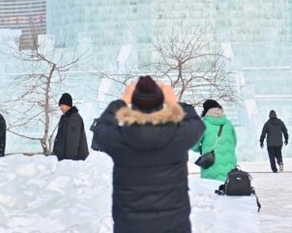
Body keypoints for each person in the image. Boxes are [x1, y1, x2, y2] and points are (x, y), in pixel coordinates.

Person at [91, 76, 205, 233]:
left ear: (133, 104)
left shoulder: (119, 138)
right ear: (161, 103)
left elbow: (101, 127)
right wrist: (173, 102)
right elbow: (196, 123)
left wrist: (122, 100)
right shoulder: (178, 136)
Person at [192, 99, 237, 182]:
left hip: (210, 165)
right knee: (227, 190)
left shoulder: (203, 124)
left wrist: (202, 147)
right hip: (229, 168)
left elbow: (194, 147)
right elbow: (234, 143)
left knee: (211, 191)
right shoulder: (228, 124)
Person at [53, 93, 89, 161]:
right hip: (64, 160)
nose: (60, 108)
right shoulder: (66, 118)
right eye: (60, 105)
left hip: (71, 161)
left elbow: (72, 141)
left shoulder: (74, 119)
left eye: (62, 105)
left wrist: (69, 162)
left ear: (67, 105)